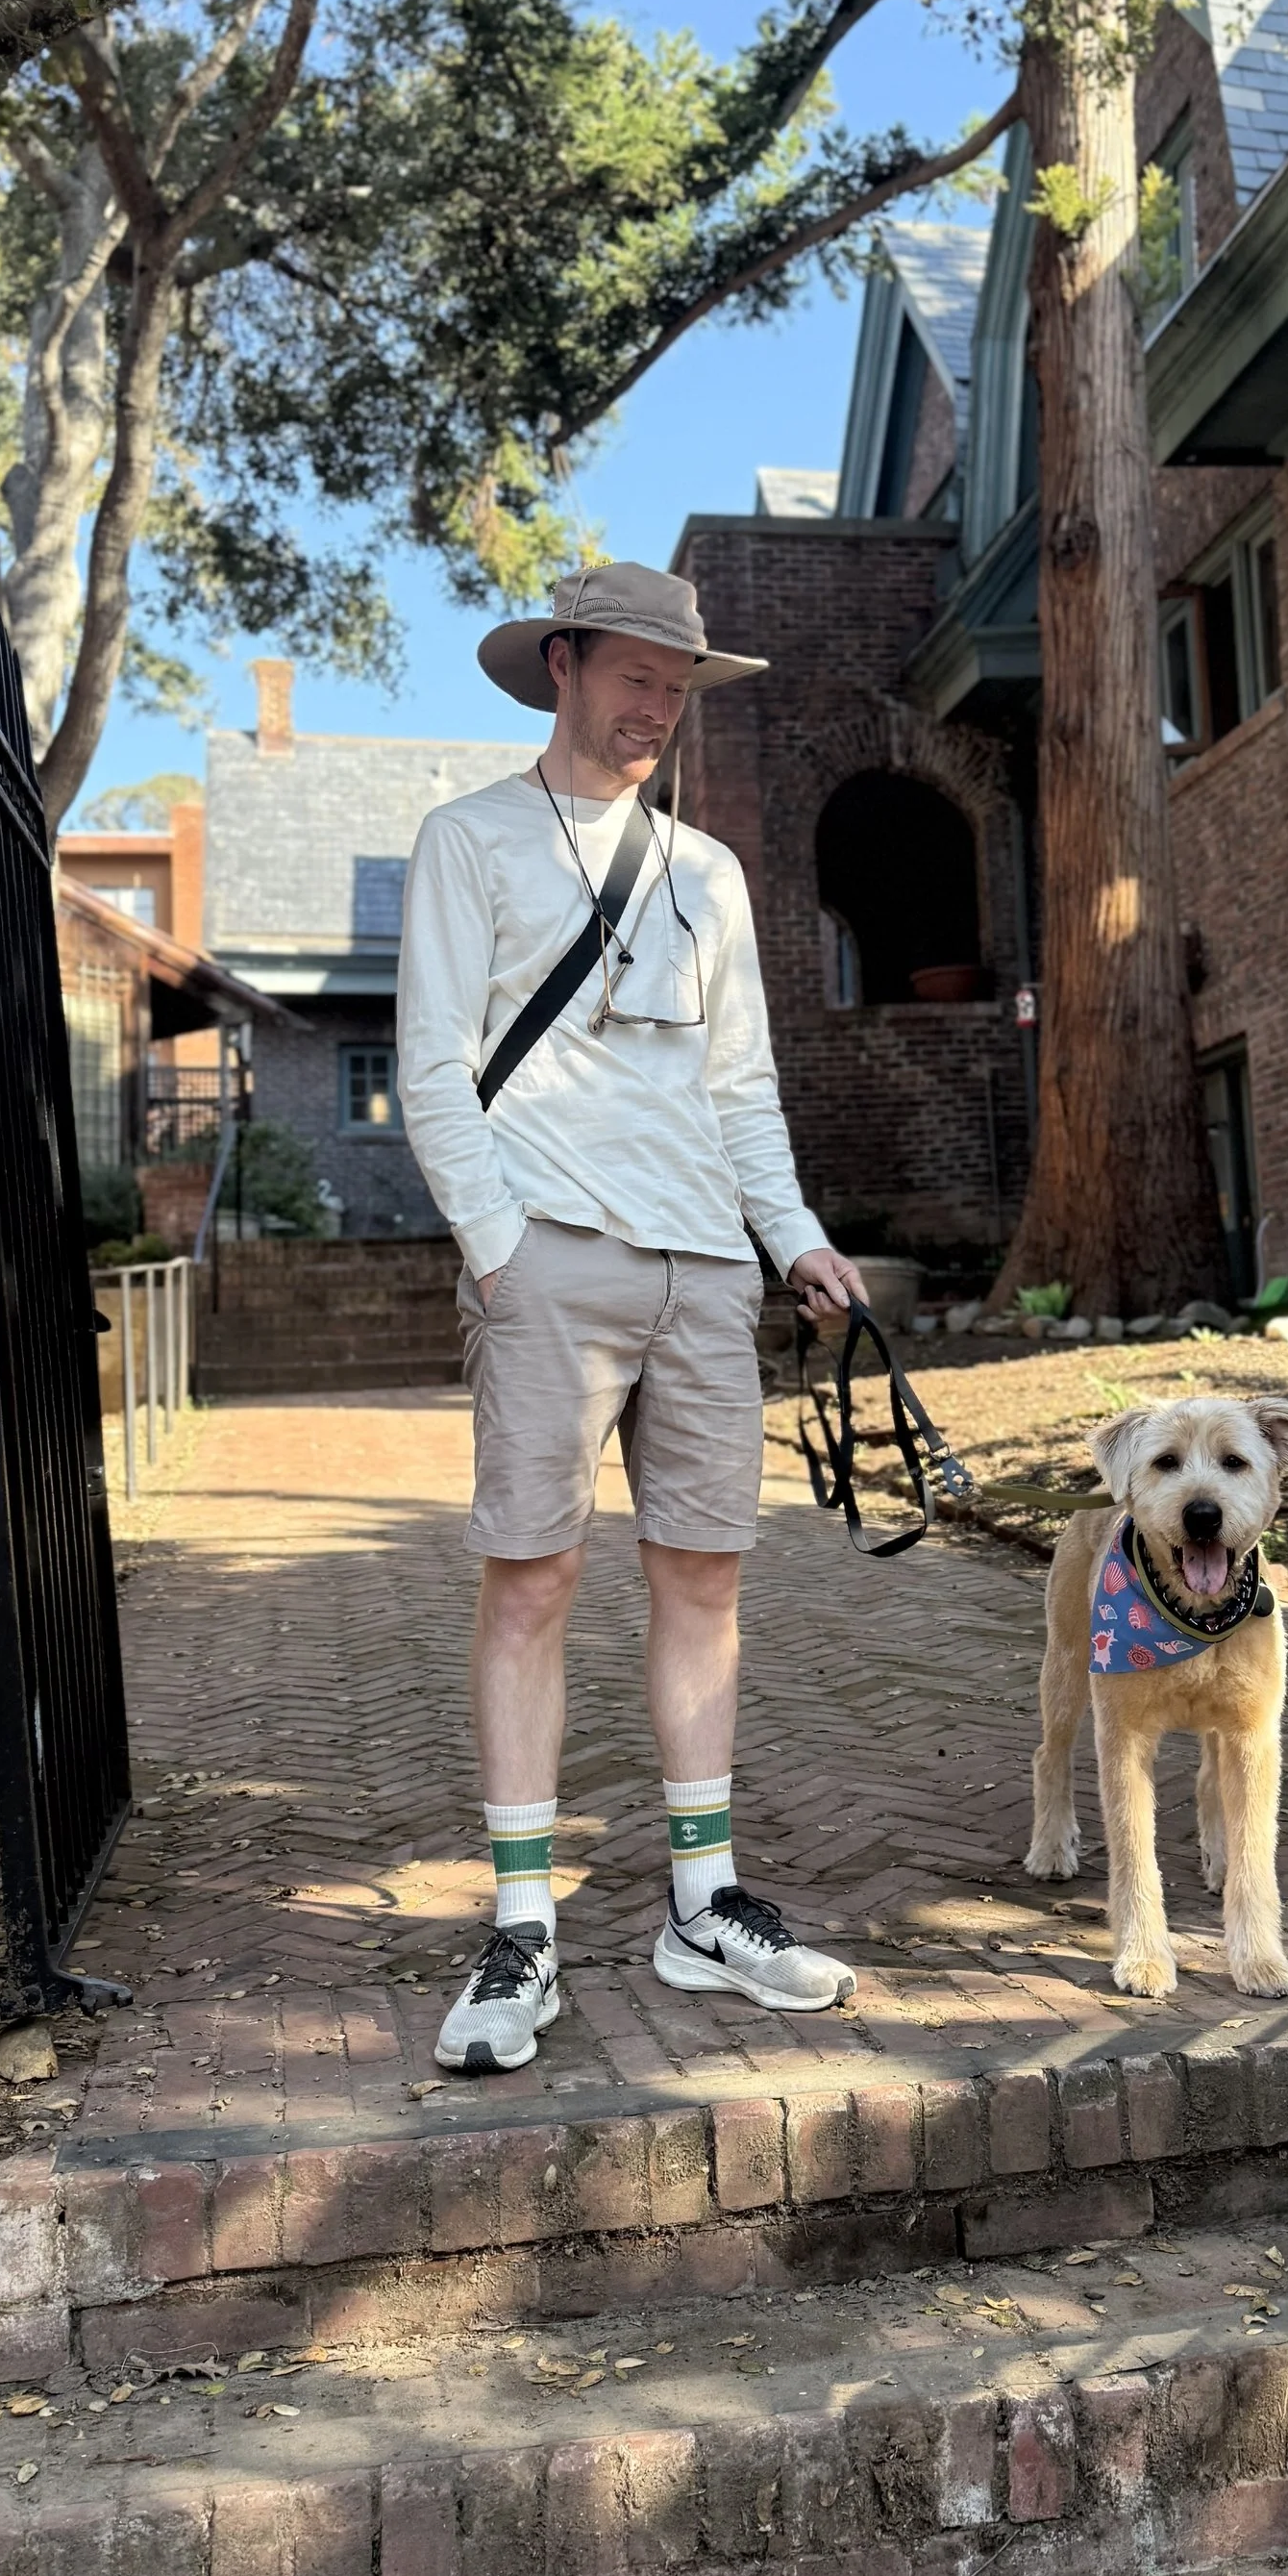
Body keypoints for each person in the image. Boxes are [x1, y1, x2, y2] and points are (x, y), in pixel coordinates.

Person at [397, 561, 868, 2076]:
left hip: (705, 1271)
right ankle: (523, 1921)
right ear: (565, 666)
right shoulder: (469, 840)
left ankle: (703, 1903)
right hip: (549, 1256)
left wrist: (793, 1240)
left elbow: (741, 1087)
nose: (658, 706)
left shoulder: (708, 872)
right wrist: (497, 1252)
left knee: (705, 1579)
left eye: (679, 685)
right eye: (635, 676)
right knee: (532, 1581)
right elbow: (428, 1068)